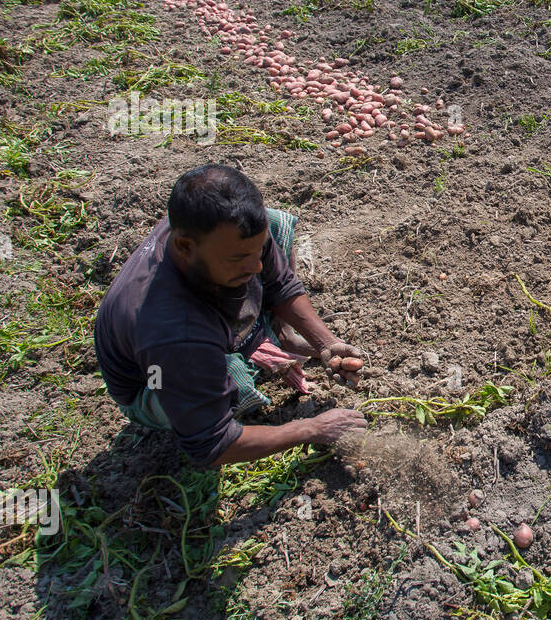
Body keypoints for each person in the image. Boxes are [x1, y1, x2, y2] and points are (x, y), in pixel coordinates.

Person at [93, 164, 366, 468]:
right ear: (184, 246)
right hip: (153, 384)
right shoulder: (174, 331)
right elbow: (212, 444)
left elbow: (279, 282)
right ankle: (248, 351)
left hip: (190, 332)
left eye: (257, 252)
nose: (257, 268)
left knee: (271, 223)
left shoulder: (209, 235)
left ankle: (276, 336)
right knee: (233, 380)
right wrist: (312, 429)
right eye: (239, 260)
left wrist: (324, 342)